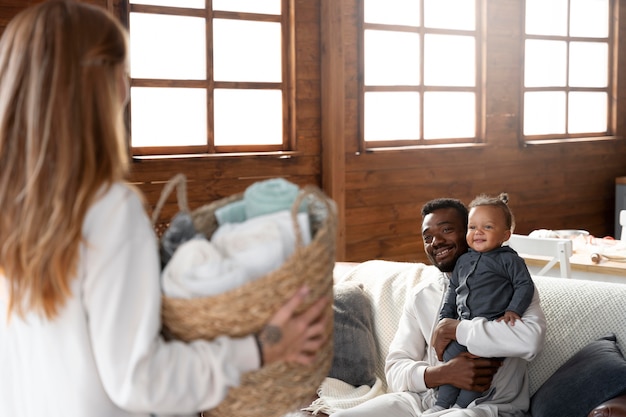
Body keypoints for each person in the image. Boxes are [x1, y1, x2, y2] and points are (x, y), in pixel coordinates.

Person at [0, 2, 328, 416]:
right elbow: (140, 381)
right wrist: (260, 348)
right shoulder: (106, 209)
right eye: (124, 69)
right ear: (107, 84)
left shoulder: (16, 211)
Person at [332, 198, 545, 417]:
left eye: (447, 230)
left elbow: (530, 340)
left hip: (488, 408)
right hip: (422, 402)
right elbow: (394, 370)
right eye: (428, 237)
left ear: (468, 233)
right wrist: (442, 374)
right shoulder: (421, 296)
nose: (436, 241)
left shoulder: (511, 285)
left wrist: (456, 329)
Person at [426, 193, 536, 413]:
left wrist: (514, 310)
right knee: (451, 360)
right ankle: (440, 404)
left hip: (489, 330)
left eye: (487, 227)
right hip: (462, 328)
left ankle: (459, 406)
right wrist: (443, 321)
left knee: (480, 370)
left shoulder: (509, 260)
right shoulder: (463, 262)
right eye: (473, 227)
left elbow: (525, 285)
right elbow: (452, 293)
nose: (478, 232)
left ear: (505, 234)